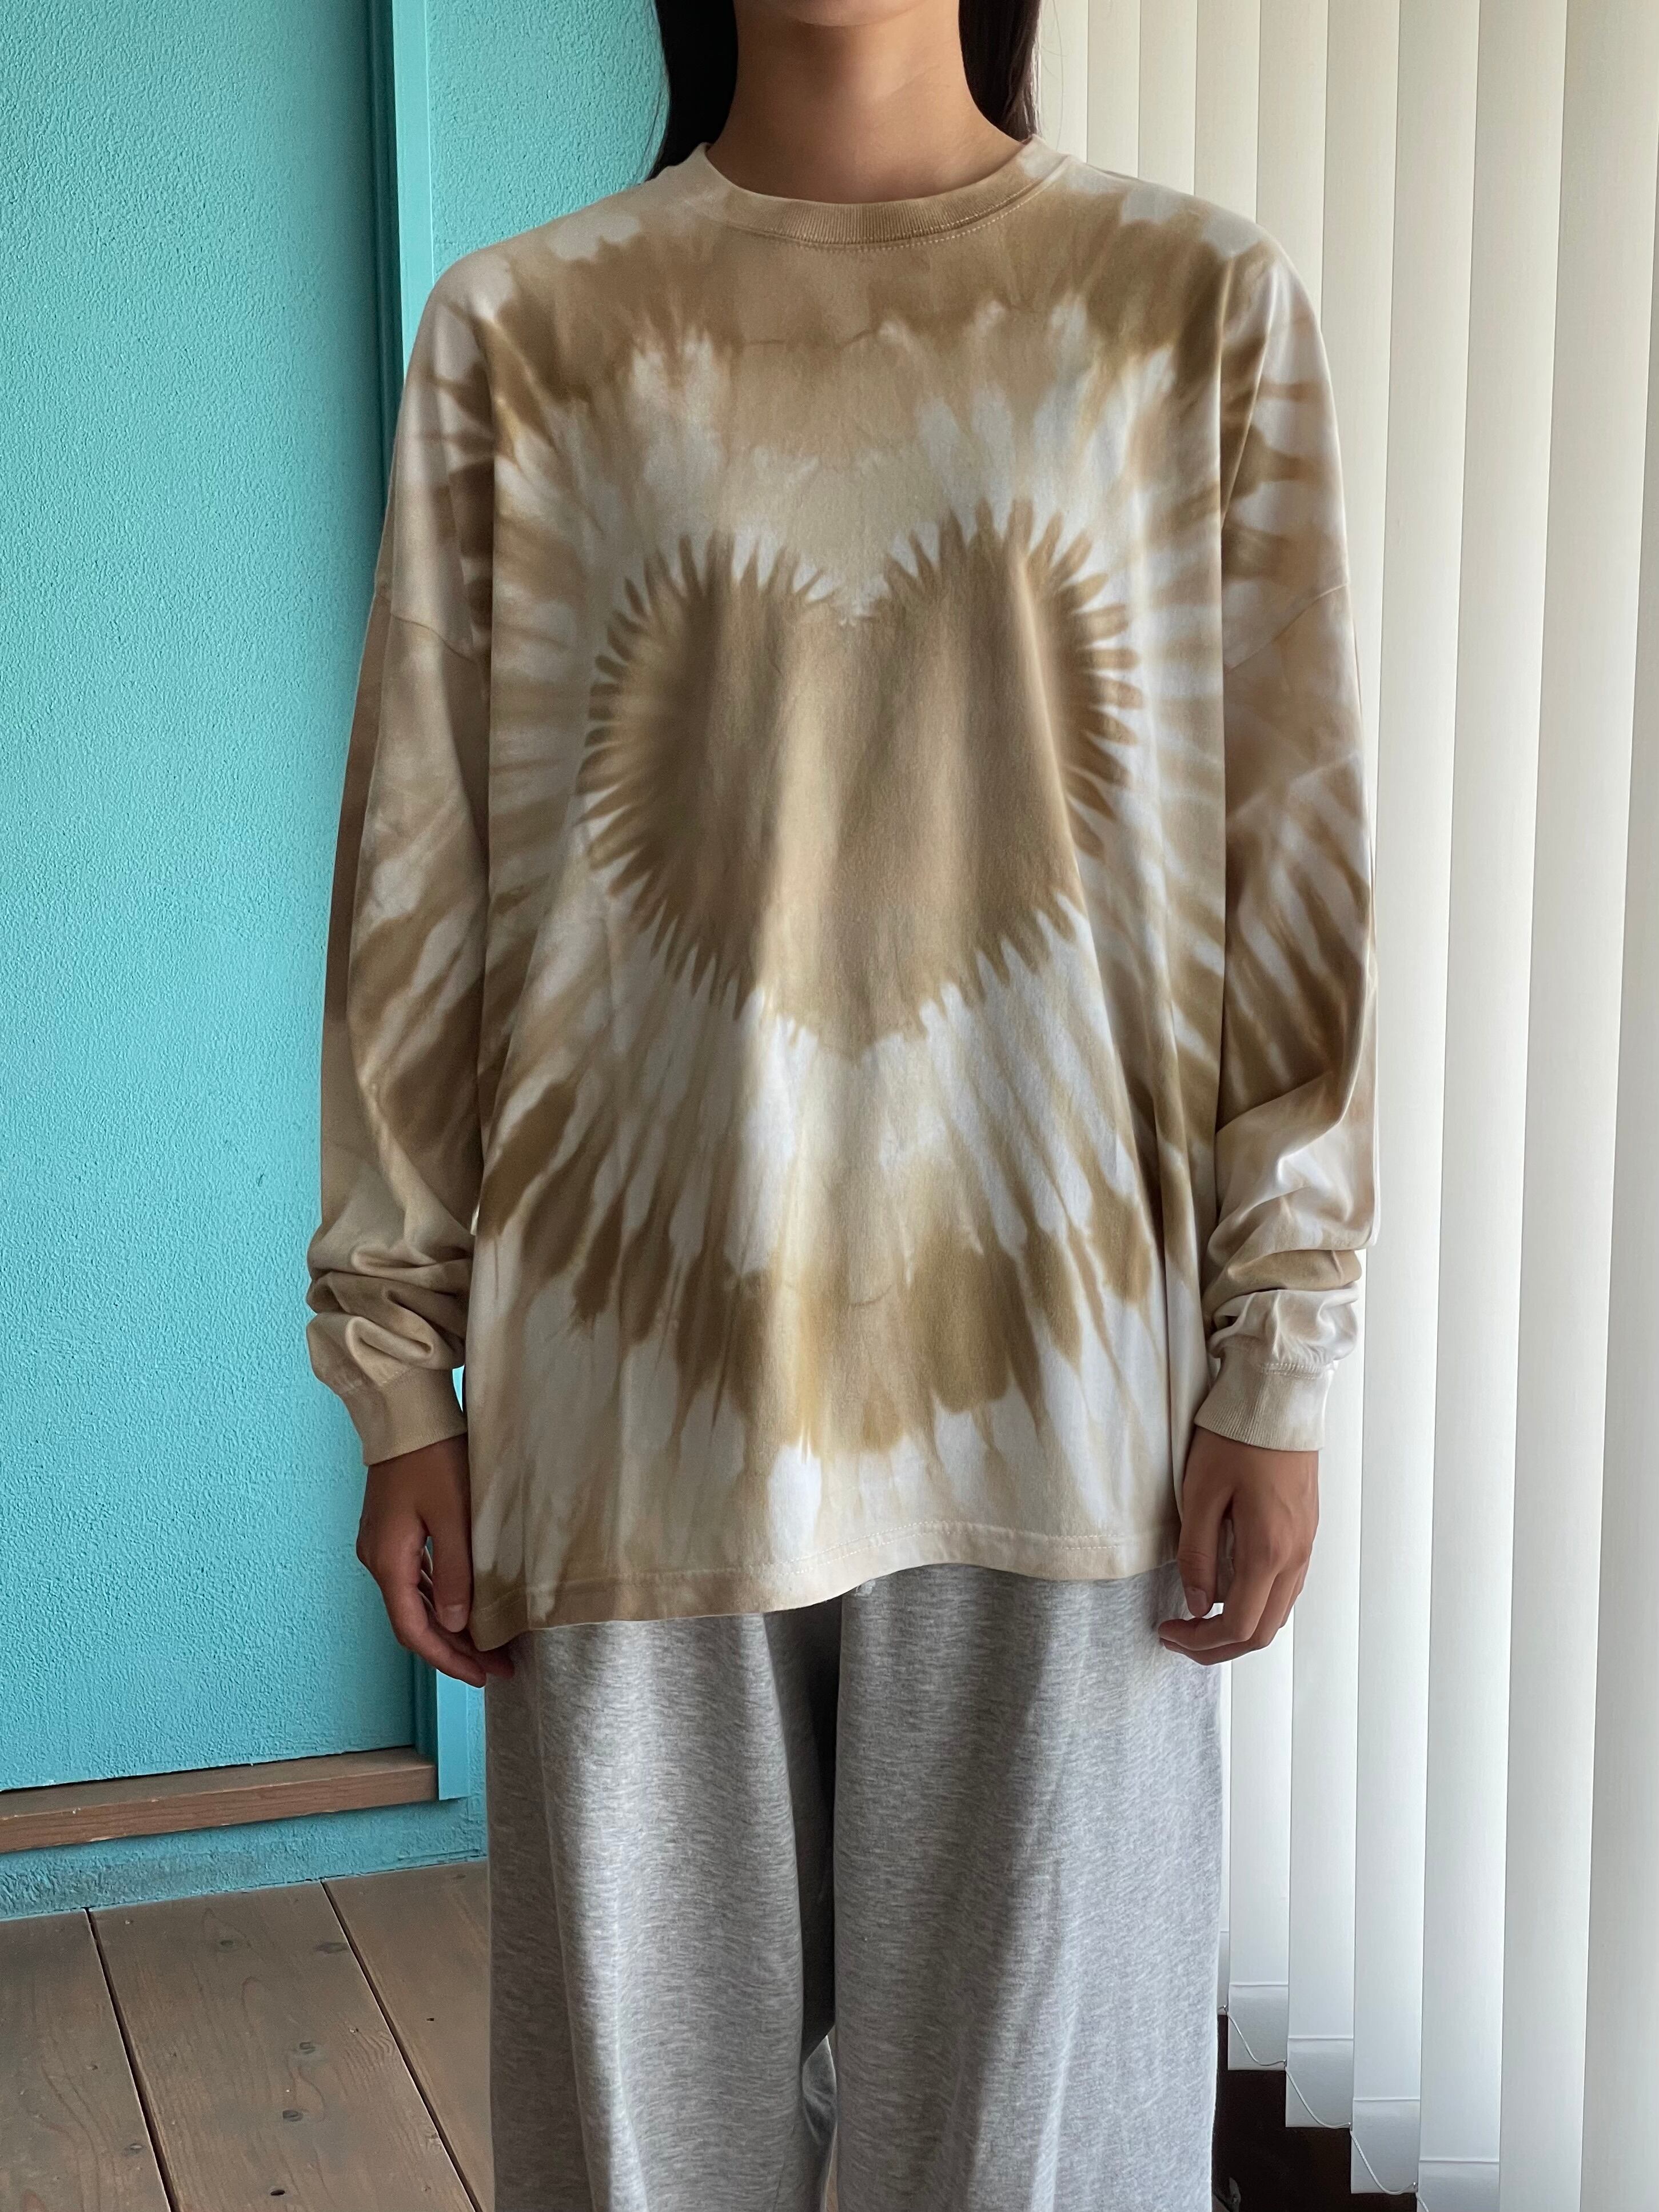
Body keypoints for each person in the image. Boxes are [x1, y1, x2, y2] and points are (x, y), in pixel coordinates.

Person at [303, 0, 1377, 2203]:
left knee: (1034, 2166)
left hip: (1054, 1395)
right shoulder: (528, 335)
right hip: (637, 1388)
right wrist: (398, 1373)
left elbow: (1292, 866)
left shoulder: (1187, 308)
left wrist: (1282, 1351)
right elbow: (423, 882)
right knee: (647, 2164)